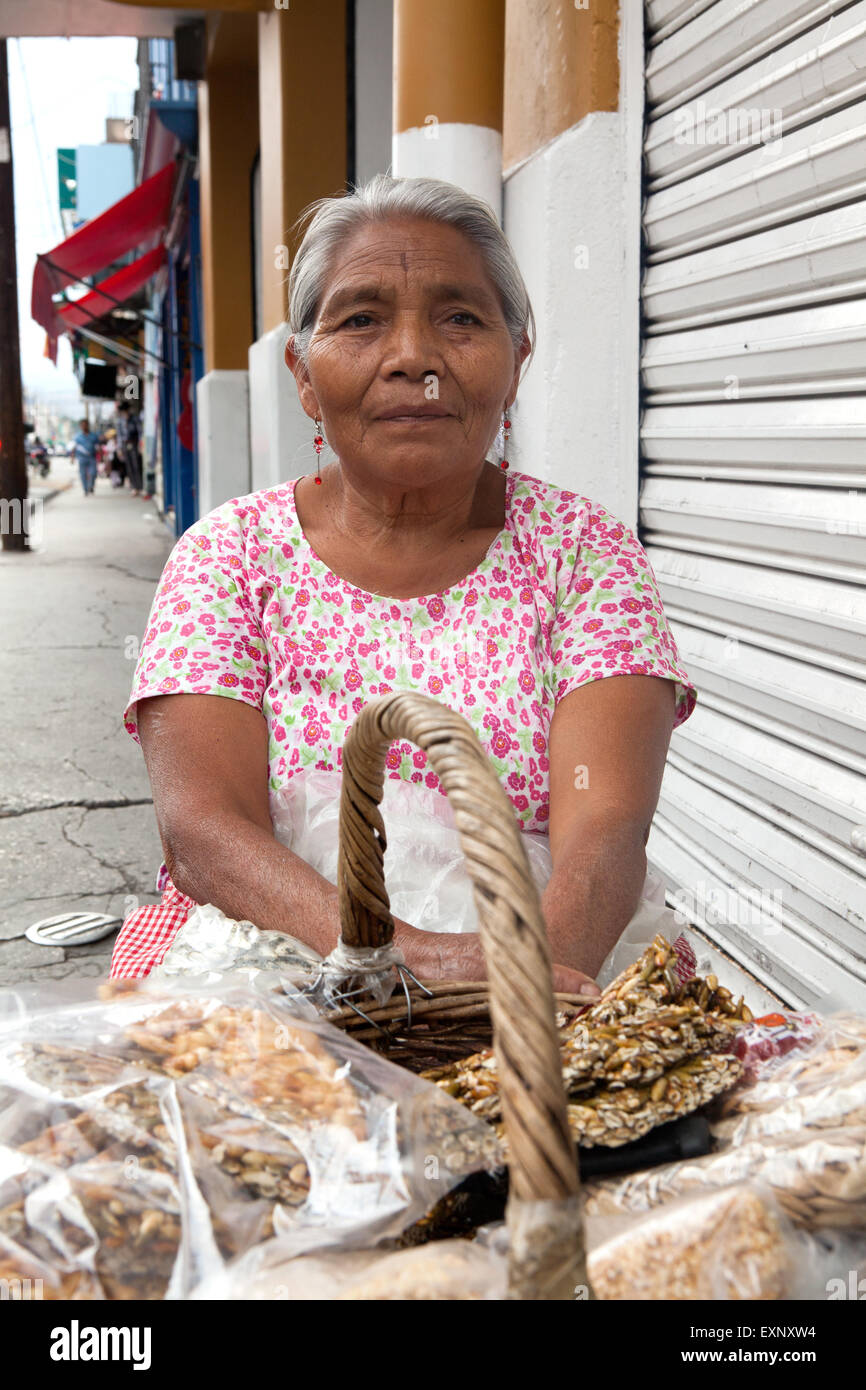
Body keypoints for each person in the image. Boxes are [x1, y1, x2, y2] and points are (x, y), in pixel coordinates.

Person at [111, 174, 696, 992]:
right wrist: (406, 965)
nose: (415, 359)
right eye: (361, 320)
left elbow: (607, 825)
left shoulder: (585, 553)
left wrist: (532, 984)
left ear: (516, 361)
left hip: (556, 965)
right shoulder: (228, 557)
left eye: (461, 318)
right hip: (274, 974)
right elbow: (206, 832)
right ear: (304, 374)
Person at [116, 402, 144, 496]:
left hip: (134, 443)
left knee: (136, 465)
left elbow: (140, 432)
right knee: (129, 466)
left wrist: (141, 444)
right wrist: (119, 449)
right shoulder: (119, 421)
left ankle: (140, 486)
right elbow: (119, 436)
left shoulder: (135, 419)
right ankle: (133, 487)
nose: (124, 413)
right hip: (125, 444)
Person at [72, 419, 99, 495]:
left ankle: (91, 486)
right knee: (83, 474)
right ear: (80, 426)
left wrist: (101, 457)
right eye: (82, 425)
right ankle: (85, 489)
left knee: (93, 473)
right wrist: (72, 457)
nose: (84, 426)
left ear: (88, 425)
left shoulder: (93, 436)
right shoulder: (77, 437)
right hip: (82, 458)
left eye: (85, 425)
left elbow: (97, 447)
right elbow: (74, 447)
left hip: (92, 457)